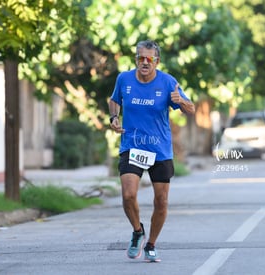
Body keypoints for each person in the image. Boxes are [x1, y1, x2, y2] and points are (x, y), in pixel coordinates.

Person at [108, 40, 195, 262]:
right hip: (132, 146)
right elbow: (114, 100)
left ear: (157, 61)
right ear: (136, 59)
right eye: (141, 58)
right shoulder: (124, 79)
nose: (145, 62)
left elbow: (191, 109)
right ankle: (138, 231)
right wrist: (114, 117)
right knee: (128, 195)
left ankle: (151, 244)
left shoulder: (168, 83)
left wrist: (181, 102)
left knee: (161, 201)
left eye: (150, 59)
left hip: (159, 149)